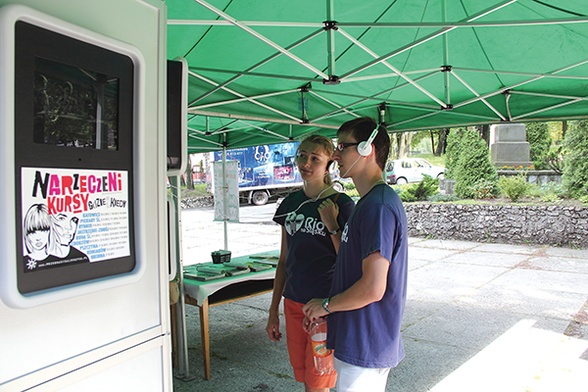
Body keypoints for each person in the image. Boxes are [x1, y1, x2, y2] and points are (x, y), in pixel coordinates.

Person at [302, 117, 408, 392]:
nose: (335, 155)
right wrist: (334, 229)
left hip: (366, 341)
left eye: (342, 147)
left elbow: (373, 288)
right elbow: (351, 263)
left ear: (366, 149)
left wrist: (326, 305)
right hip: (357, 337)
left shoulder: (378, 207)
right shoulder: (368, 203)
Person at [266, 134, 355, 392]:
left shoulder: (341, 204)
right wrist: (273, 311)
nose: (306, 162)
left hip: (324, 308)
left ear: (328, 164)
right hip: (293, 303)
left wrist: (332, 225)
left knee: (319, 381)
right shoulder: (290, 203)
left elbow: (348, 260)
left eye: (315, 158)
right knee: (306, 377)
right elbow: (284, 260)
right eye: (302, 155)